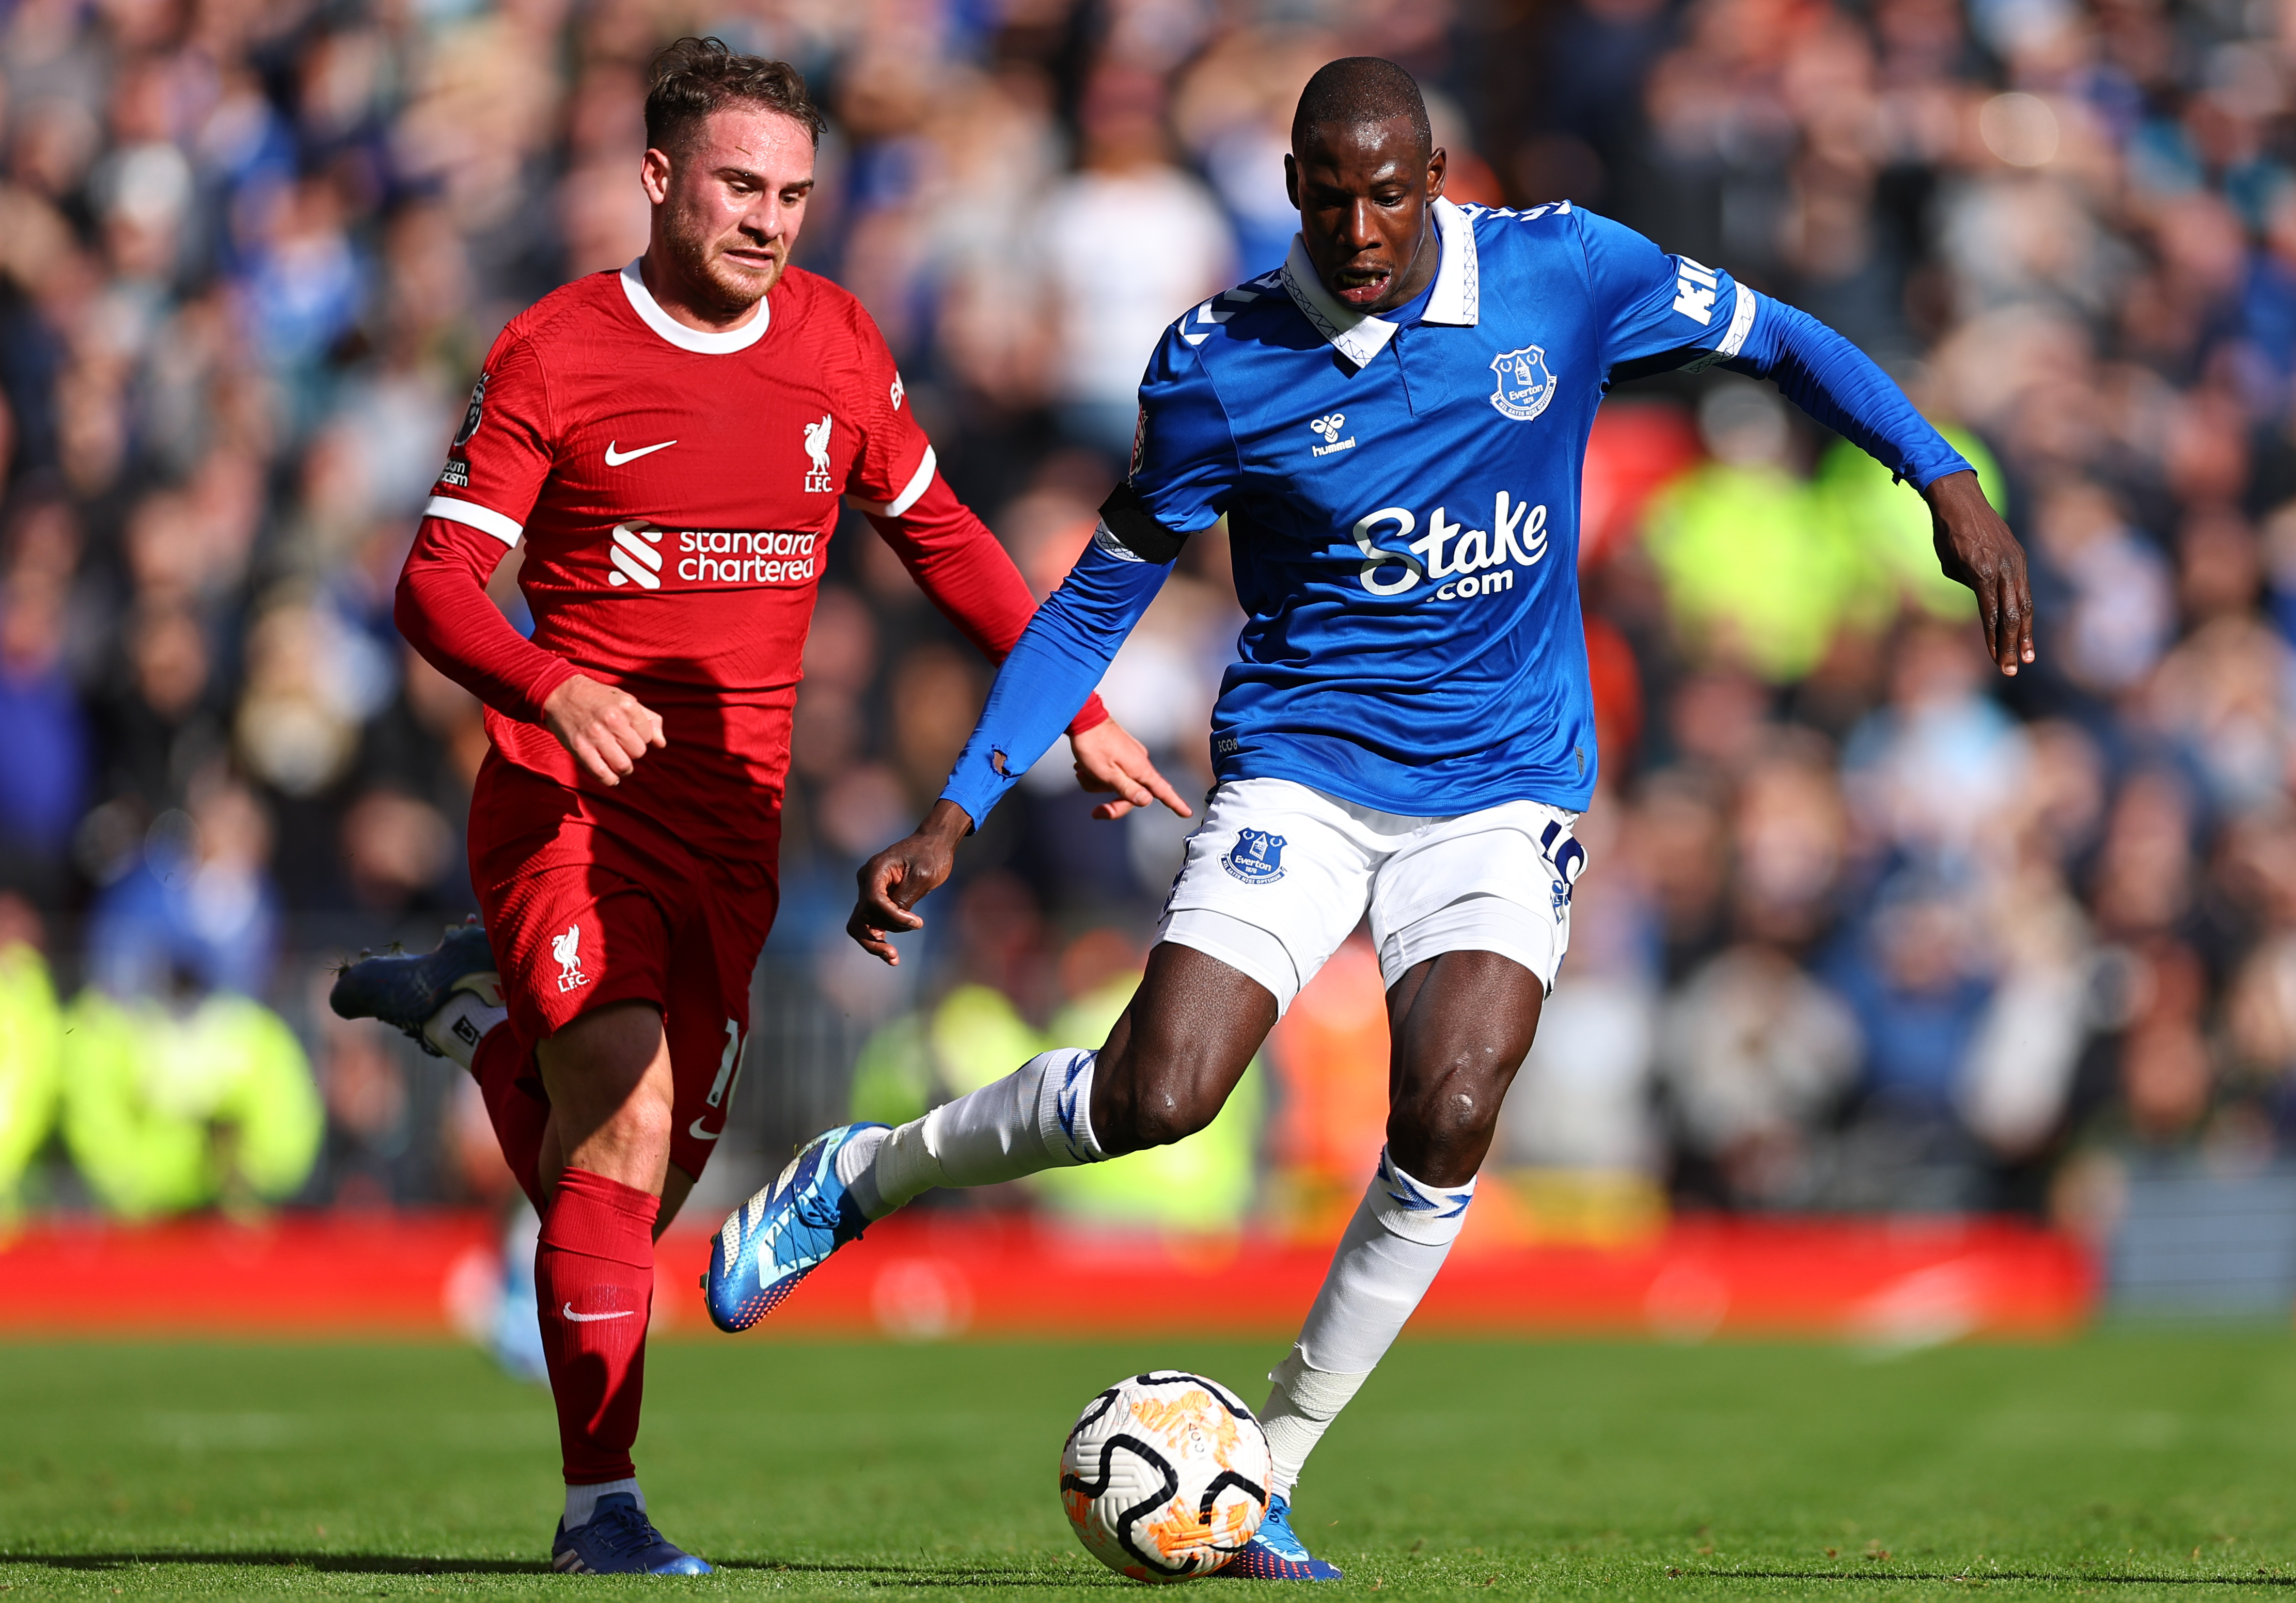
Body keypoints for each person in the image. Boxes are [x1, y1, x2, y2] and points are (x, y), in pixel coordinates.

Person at [701, 56, 2034, 1581]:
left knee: (1453, 1107)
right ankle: (860, 1177)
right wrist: (960, 805)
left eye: (1387, 191)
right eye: (1327, 195)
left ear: (1438, 176)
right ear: (1289, 190)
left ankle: (1266, 1468)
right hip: (1303, 778)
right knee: (1162, 1096)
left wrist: (1939, 472)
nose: (1358, 224)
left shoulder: (1565, 271)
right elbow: (1093, 601)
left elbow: (1782, 338)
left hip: (1504, 786)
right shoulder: (1219, 364)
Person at [329, 38, 1183, 1577]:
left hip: (734, 826)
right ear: (657, 178)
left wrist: (1083, 707)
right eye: (738, 184)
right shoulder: (555, 352)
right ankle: (603, 1512)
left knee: (632, 1185)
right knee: (628, 1119)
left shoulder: (839, 346)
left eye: (794, 191)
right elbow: (435, 583)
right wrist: (547, 687)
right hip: (565, 799)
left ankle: (476, 1028)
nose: (769, 218)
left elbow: (949, 543)